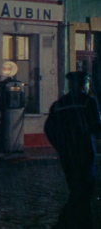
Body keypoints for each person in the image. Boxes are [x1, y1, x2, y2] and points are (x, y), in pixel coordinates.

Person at [44, 71, 101, 229]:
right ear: (85, 84)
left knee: (75, 188)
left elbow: (49, 128)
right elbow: (97, 127)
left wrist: (60, 146)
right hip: (85, 151)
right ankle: (73, 223)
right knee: (85, 190)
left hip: (67, 153)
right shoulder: (89, 101)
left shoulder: (59, 104)